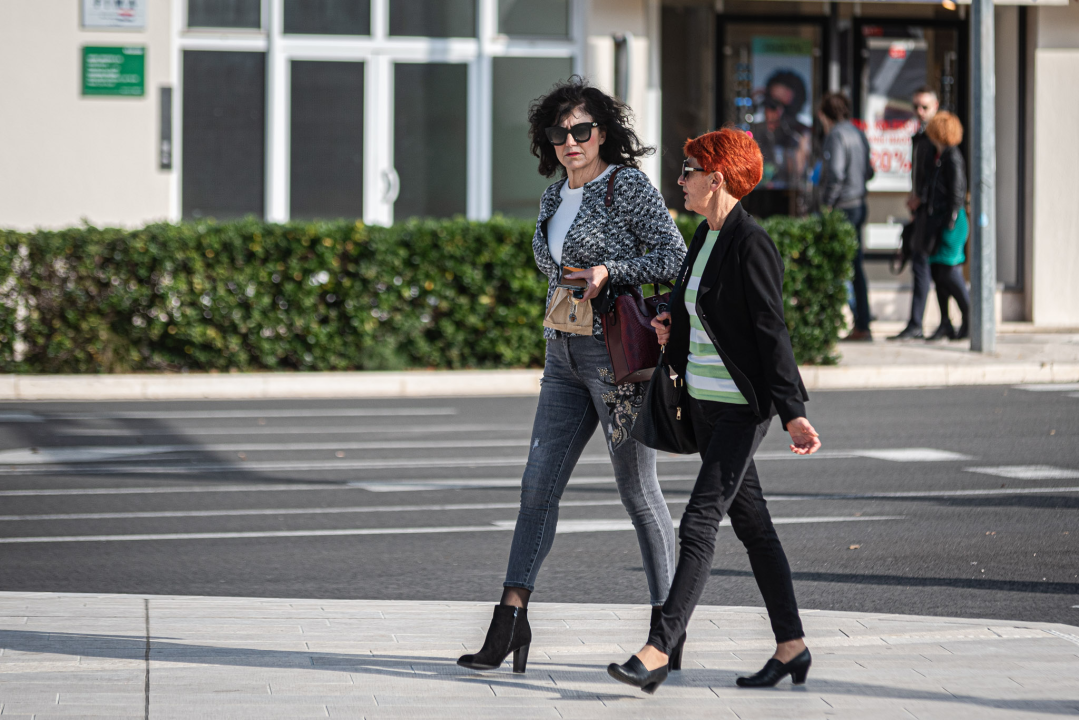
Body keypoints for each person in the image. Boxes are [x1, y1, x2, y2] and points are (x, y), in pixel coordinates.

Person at [457, 77, 686, 674]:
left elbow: (674, 257)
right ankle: (510, 618)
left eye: (581, 131)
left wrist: (612, 269)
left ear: (602, 133)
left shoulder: (626, 187)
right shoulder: (555, 197)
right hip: (561, 354)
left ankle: (668, 630)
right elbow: (550, 262)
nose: (569, 141)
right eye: (559, 133)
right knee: (537, 488)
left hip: (617, 361)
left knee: (638, 491)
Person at [607, 128, 822, 695]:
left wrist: (792, 411)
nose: (679, 180)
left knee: (699, 521)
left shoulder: (752, 244)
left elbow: (770, 331)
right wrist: (671, 328)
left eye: (687, 170)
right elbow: (700, 313)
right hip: (702, 403)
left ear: (716, 178)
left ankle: (658, 650)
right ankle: (792, 645)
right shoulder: (704, 235)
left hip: (740, 410)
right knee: (754, 526)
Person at [817, 92, 874, 342]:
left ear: (824, 114)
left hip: (844, 208)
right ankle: (862, 319)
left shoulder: (836, 135)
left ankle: (858, 321)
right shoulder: (858, 133)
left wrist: (827, 204)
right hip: (860, 204)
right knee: (855, 265)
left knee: (840, 267)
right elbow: (870, 171)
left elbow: (837, 174)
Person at [890, 86, 940, 341]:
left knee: (931, 268)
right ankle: (948, 323)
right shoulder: (921, 135)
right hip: (921, 211)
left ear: (936, 106)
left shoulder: (938, 138)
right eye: (916, 107)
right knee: (936, 269)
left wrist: (922, 198)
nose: (919, 112)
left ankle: (917, 323)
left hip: (932, 213)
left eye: (925, 107)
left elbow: (942, 179)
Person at [923, 112, 970, 341]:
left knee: (949, 271)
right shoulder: (940, 157)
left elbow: (957, 193)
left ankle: (970, 316)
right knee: (938, 272)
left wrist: (949, 223)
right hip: (940, 220)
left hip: (952, 221)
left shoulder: (952, 157)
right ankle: (945, 322)